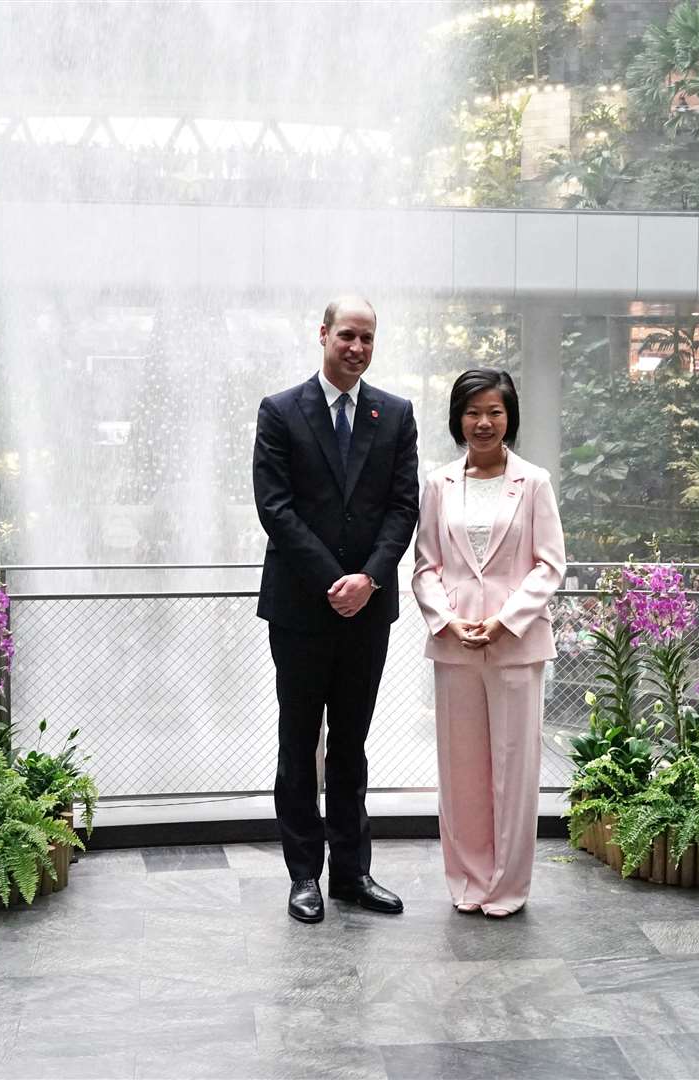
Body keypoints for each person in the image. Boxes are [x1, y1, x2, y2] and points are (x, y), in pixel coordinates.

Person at [252, 295, 420, 924]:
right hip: (301, 610)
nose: (357, 347)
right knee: (300, 745)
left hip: (367, 612)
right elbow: (276, 508)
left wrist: (370, 579)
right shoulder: (280, 411)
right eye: (347, 335)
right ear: (323, 335)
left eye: (368, 338)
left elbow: (405, 507)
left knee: (351, 746)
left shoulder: (396, 414)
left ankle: (352, 873)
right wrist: (334, 580)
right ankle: (304, 877)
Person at [411, 369, 566, 918]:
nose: (483, 422)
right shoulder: (439, 484)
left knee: (515, 767)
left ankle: (507, 887)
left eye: (494, 412)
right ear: (458, 418)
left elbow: (550, 565)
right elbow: (425, 566)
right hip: (455, 646)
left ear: (509, 418)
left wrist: (507, 620)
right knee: (461, 772)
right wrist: (445, 620)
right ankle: (468, 882)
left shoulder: (535, 482)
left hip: (515, 644)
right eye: (473, 412)